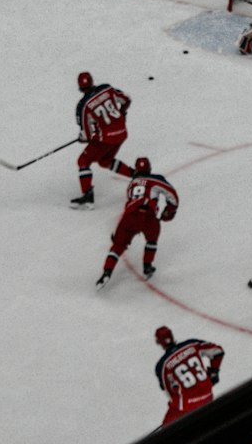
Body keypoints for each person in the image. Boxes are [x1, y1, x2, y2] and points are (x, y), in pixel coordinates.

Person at [96, 157, 179, 285]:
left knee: (117, 245)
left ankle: (106, 272)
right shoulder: (156, 179)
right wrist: (170, 209)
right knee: (152, 239)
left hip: (129, 216)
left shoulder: (132, 183)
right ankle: (147, 266)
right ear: (149, 169)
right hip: (148, 216)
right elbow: (172, 195)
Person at [71, 71, 134, 207]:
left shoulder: (83, 106)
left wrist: (83, 138)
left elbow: (86, 135)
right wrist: (122, 112)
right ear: (92, 81)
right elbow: (126, 99)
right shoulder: (107, 88)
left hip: (106, 138)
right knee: (105, 161)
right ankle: (136, 175)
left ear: (80, 87)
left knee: (83, 161)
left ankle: (88, 195)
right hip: (122, 132)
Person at [154, 326, 225, 426]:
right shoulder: (192, 344)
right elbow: (218, 352)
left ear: (159, 342)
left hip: (185, 406)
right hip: (207, 395)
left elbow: (168, 391)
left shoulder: (162, 365)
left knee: (165, 434)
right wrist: (214, 371)